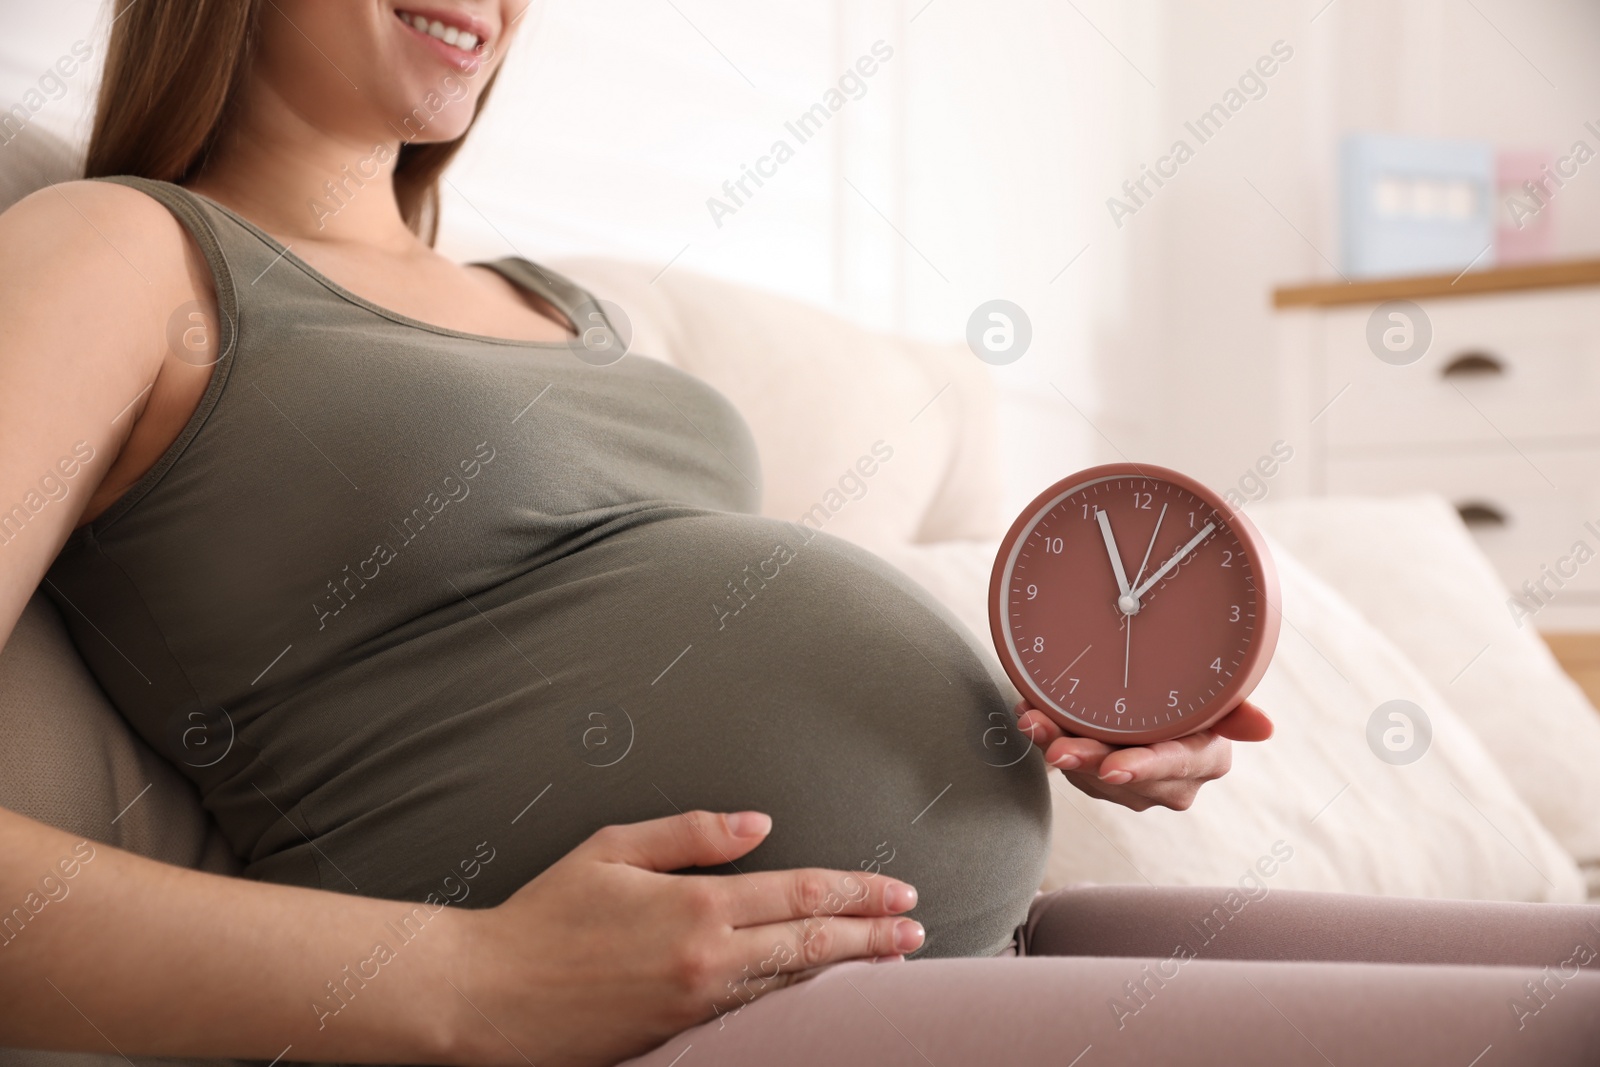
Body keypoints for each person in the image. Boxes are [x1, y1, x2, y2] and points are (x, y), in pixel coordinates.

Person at [0, 2, 1595, 1064]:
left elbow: (663, 639)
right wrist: (468, 984)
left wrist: (1051, 720)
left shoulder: (566, 306)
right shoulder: (124, 249)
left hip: (948, 951)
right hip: (660, 1016)